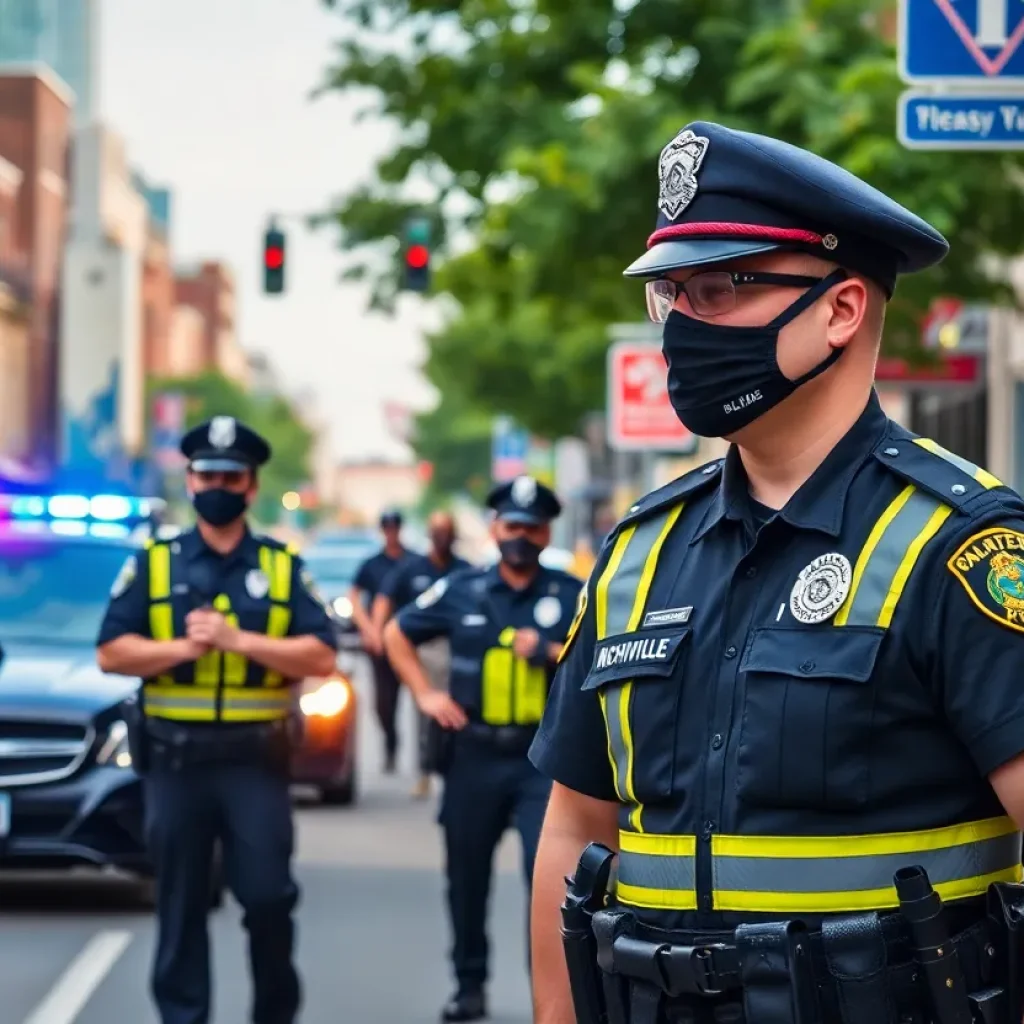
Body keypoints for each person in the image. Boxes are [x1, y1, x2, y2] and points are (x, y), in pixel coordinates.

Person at [528, 120, 1024, 1024]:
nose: (681, 324)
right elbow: (574, 826)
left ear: (840, 310)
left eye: (717, 289)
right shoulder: (640, 553)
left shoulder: (960, 544)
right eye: (670, 294)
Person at [96, 415, 338, 1024]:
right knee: (179, 905)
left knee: (267, 899)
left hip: (256, 762)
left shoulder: (282, 566)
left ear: (252, 486)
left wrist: (239, 640)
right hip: (175, 764)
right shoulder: (155, 562)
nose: (218, 485)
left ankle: (273, 1013)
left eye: (231, 476)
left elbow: (323, 656)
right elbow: (110, 651)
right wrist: (181, 649)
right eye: (207, 474)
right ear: (190, 479)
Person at [384, 476, 583, 1022]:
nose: (521, 535)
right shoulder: (461, 590)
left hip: (542, 764)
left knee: (547, 886)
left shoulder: (571, 595)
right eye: (512, 525)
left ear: (546, 533)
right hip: (471, 757)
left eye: (532, 527)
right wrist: (425, 695)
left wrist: (547, 650)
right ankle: (468, 985)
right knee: (465, 879)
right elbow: (396, 634)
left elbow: (600, 656)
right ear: (495, 528)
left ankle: (551, 1002)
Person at [372, 509, 472, 798]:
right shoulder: (411, 568)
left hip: (456, 651)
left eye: (447, 531)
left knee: (460, 710)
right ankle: (424, 771)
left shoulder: (464, 571)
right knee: (425, 714)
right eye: (437, 531)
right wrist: (377, 632)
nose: (442, 538)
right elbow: (384, 600)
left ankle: (456, 770)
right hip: (420, 650)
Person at [348, 507, 411, 772]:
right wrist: (369, 629)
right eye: (387, 527)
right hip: (381, 639)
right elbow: (355, 597)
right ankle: (390, 742)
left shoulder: (412, 561)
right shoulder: (372, 564)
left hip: (410, 638)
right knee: (384, 702)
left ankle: (426, 763)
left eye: (394, 527)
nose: (391, 533)